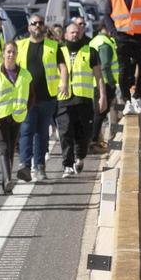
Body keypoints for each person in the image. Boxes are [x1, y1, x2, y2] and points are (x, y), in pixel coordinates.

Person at [16, 14, 63, 183]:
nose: (37, 26)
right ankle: (25, 165)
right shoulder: (20, 46)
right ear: (28, 27)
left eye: (40, 23)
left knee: (42, 133)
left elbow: (62, 66)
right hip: (26, 97)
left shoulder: (53, 46)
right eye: (33, 23)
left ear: (44, 27)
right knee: (27, 130)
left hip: (47, 97)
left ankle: (40, 166)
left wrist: (64, 82)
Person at [56, 21, 105, 177]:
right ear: (65, 35)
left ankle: (80, 156)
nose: (75, 34)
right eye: (71, 32)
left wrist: (102, 96)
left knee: (83, 133)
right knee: (65, 132)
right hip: (64, 98)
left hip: (83, 99)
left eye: (77, 32)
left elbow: (99, 77)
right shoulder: (59, 51)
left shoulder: (90, 51)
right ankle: (67, 165)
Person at [0, 43, 34, 194]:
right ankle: (7, 180)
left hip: (16, 117)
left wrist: (25, 110)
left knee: (11, 150)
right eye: (8, 52)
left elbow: (31, 96)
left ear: (17, 54)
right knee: (4, 149)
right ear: (3, 54)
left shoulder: (25, 74)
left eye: (14, 52)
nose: (11, 55)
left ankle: (6, 185)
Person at [88, 25, 117, 153]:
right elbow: (105, 66)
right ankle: (93, 142)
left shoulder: (94, 41)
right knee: (100, 114)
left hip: (95, 83)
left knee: (97, 114)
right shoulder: (104, 43)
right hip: (104, 84)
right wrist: (111, 83)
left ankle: (94, 140)